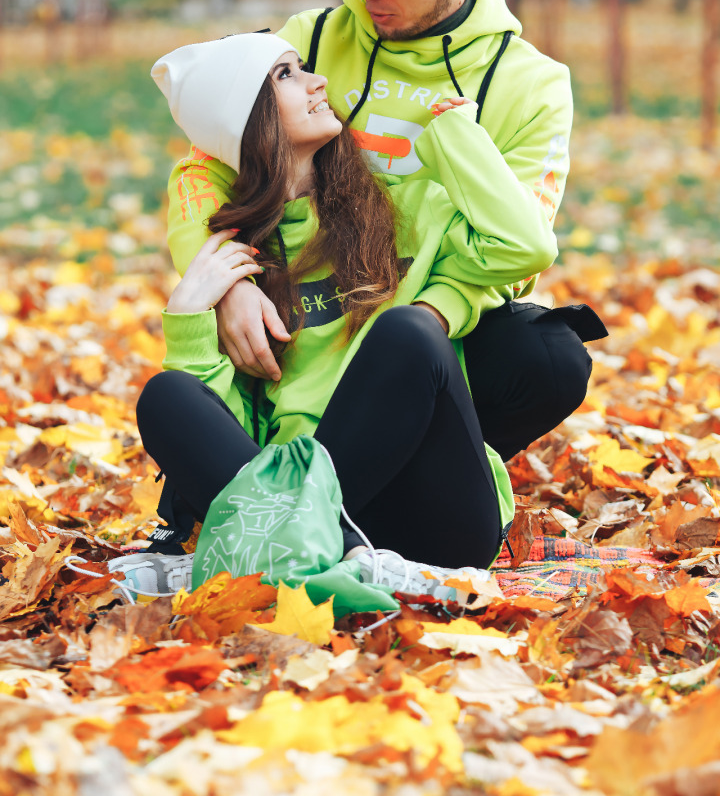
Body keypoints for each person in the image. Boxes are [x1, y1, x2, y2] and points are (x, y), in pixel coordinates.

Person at [165, 0, 607, 516]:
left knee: (548, 356)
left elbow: (518, 252)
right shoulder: (308, 41)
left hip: (426, 312)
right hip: (303, 311)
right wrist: (226, 285)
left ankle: (397, 479)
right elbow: (203, 165)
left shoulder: (530, 84)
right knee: (189, 389)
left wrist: (422, 321)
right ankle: (293, 500)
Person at [110, 32, 556, 599]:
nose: (318, 81)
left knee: (409, 332)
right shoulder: (242, 266)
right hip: (302, 500)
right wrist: (189, 314)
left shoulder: (407, 207)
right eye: (286, 75)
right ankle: (334, 558)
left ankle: (266, 556)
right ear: (247, 122)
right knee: (165, 395)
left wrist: (457, 136)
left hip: (436, 514)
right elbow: (229, 429)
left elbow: (527, 247)